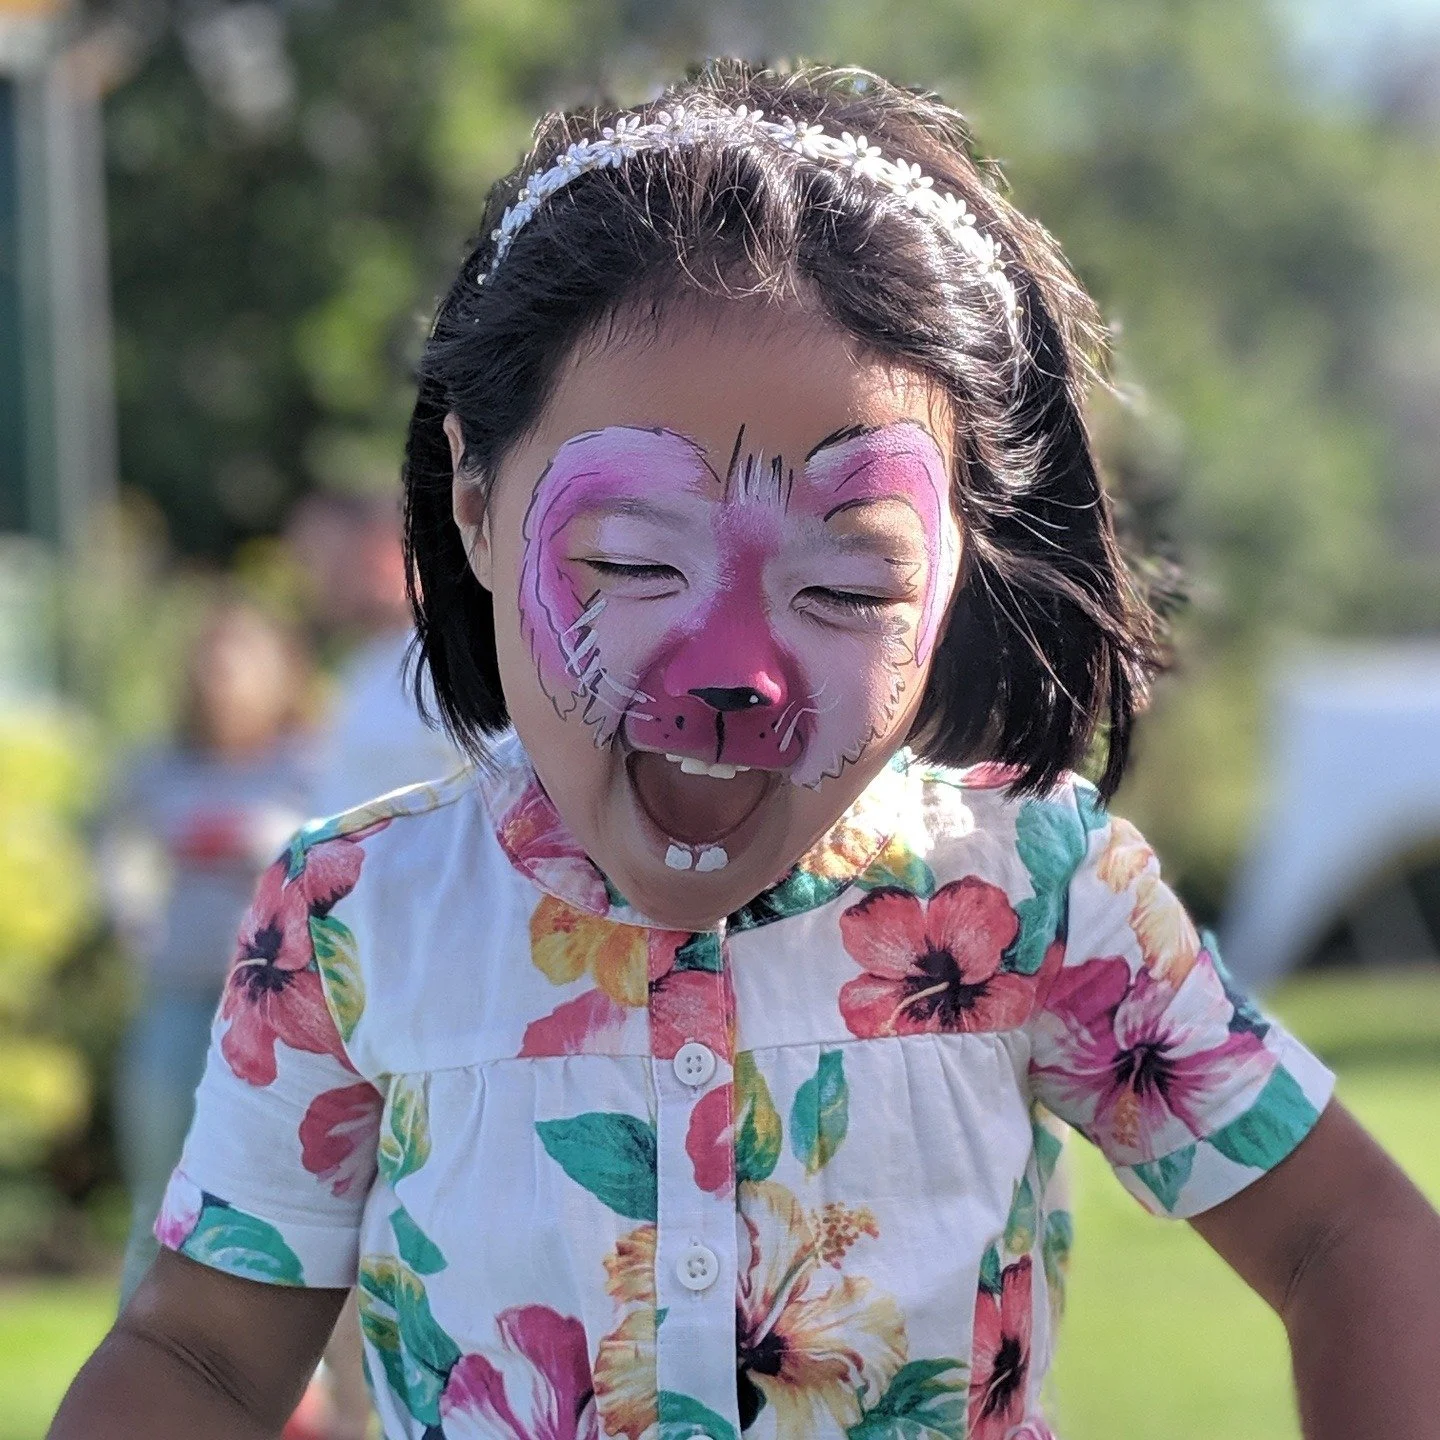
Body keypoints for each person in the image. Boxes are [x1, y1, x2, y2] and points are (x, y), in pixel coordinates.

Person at [53, 62, 1440, 1440]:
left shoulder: (1039, 899)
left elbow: (1347, 1240)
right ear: (475, 506)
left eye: (847, 588)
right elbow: (204, 1360)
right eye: (632, 559)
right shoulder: (356, 930)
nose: (735, 677)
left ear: (958, 569)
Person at [97, 596, 313, 1307]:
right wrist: (129, 915)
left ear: (277, 672)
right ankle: (138, 1395)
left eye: (237, 660)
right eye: (207, 660)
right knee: (158, 1200)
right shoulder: (158, 768)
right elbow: (108, 843)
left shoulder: (307, 768)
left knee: (282, 1209)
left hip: (285, 1016)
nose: (219, 675)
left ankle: (299, 1402)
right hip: (178, 1003)